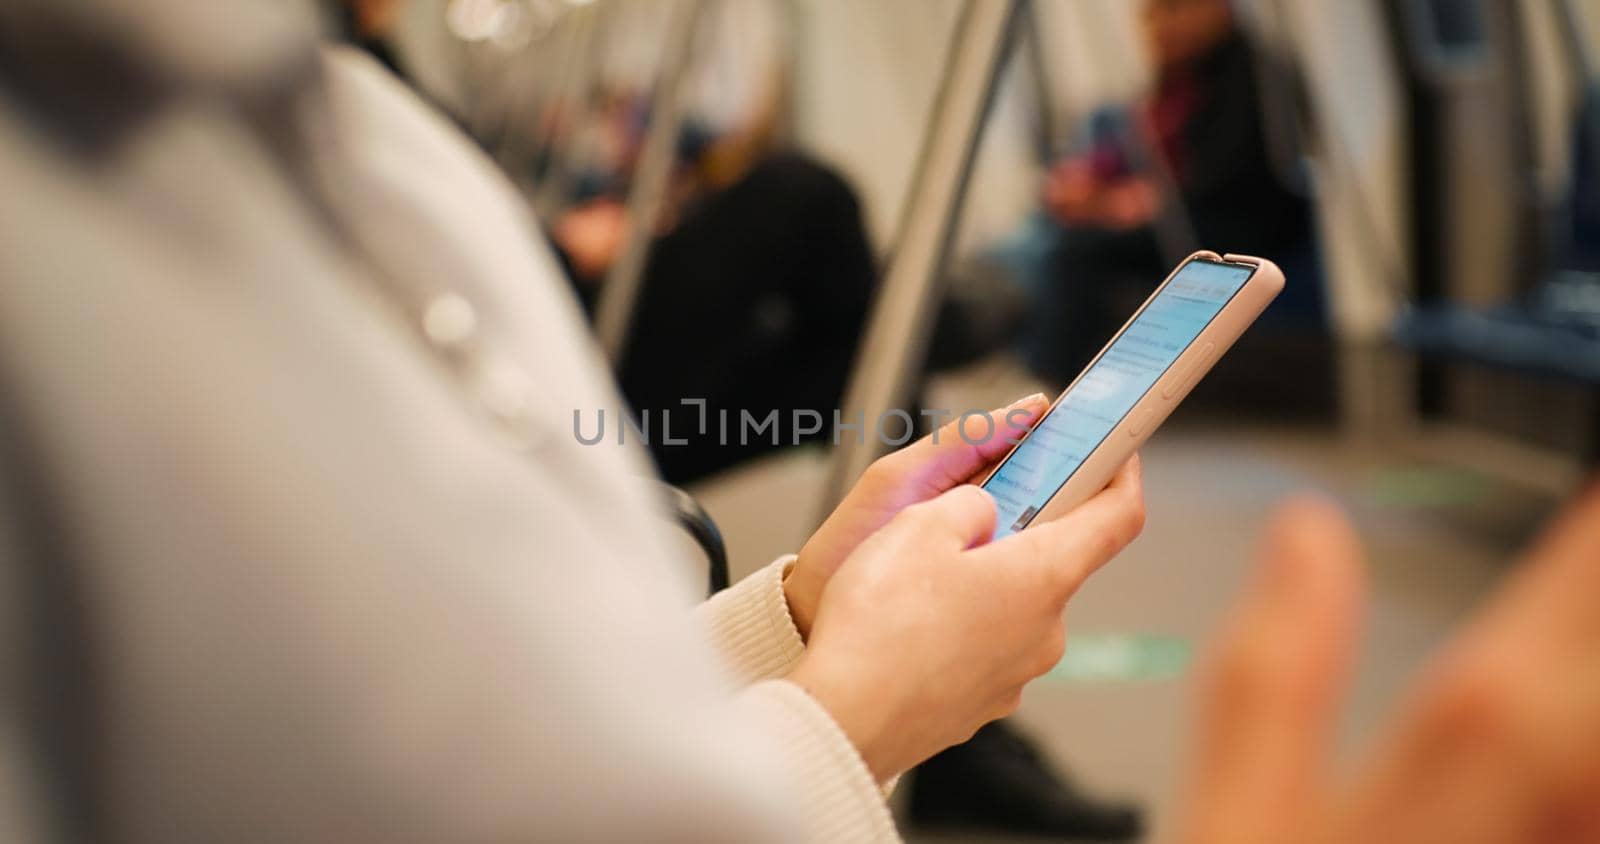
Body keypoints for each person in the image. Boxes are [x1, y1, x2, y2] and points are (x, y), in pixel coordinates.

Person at [6, 3, 1600, 843]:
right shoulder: (86, 230)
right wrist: (857, 725)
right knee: (825, 225)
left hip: (684, 493)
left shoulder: (261, 121)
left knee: (865, 267)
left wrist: (795, 617)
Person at [1027, 0, 1316, 384]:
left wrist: (1134, 202)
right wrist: (1095, 186)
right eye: (1151, 15)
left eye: (1174, 10)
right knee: (1050, 234)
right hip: (1183, 209)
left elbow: (1224, 176)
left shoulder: (1254, 76)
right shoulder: (1178, 78)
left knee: (1074, 250)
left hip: (1232, 223)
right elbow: (1138, 144)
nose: (1160, 27)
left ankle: (1051, 379)